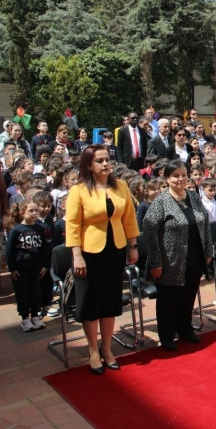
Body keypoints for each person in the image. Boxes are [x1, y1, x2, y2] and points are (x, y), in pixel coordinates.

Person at [64, 145, 140, 374]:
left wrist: (133, 246)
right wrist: (76, 255)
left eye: (107, 160)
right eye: (99, 161)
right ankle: (92, 349)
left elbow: (129, 219)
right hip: (88, 253)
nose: (105, 164)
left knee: (109, 300)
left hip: (114, 250)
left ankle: (107, 347)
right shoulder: (78, 190)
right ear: (89, 165)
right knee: (90, 302)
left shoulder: (121, 186)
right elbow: (73, 225)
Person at [142, 160, 212, 351]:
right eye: (175, 176)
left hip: (194, 255)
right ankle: (167, 335)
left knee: (189, 294)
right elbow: (149, 231)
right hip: (169, 260)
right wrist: (156, 261)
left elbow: (204, 222)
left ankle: (185, 329)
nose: (180, 179)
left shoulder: (193, 197)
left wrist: (208, 250)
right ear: (167, 178)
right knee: (169, 299)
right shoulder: (161, 201)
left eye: (183, 175)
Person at [5, 198, 48, 332]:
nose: (34, 213)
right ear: (23, 212)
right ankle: (25, 317)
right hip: (21, 263)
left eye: (36, 210)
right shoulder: (16, 230)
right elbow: (9, 250)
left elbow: (45, 248)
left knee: (35, 290)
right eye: (31, 211)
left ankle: (35, 315)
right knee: (22, 291)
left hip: (36, 263)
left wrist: (45, 265)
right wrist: (12, 268)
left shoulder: (40, 228)